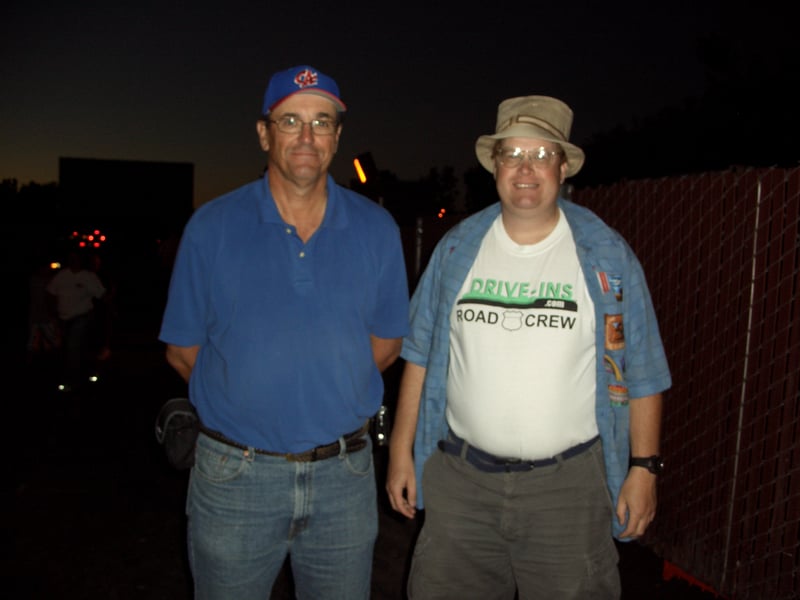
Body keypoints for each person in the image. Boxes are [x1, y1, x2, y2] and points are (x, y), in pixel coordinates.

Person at [386, 96, 672, 599]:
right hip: (461, 483)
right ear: (495, 165)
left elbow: (643, 368)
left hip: (568, 492)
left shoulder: (606, 256)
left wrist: (643, 470)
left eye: (542, 155)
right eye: (513, 154)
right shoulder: (456, 249)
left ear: (562, 168)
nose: (526, 168)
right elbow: (420, 355)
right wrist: (401, 454)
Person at [159, 65, 409, 599]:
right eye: (290, 120)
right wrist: (252, 400)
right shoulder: (212, 226)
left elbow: (387, 344)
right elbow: (183, 349)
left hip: (344, 478)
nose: (306, 136)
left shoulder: (376, 228)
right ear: (264, 132)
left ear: (337, 137)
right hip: (235, 478)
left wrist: (324, 390)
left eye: (322, 122)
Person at [46, 250, 106, 392]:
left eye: (76, 258)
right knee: (71, 349)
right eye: (71, 258)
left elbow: (102, 295)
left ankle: (71, 381)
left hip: (81, 318)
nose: (73, 261)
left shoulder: (88, 276)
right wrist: (52, 313)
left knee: (74, 347)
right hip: (63, 319)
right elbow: (50, 293)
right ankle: (86, 372)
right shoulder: (61, 276)